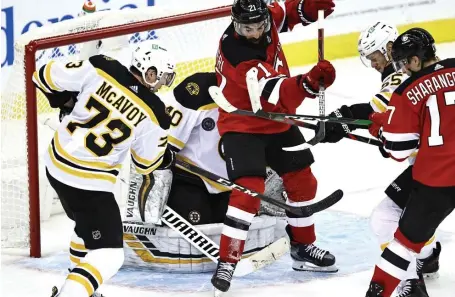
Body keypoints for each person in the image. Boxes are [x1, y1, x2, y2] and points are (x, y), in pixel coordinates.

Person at [33, 40, 176, 297]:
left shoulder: (101, 66)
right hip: (88, 185)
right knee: (109, 255)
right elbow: (146, 165)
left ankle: (82, 287)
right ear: (150, 72)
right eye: (162, 76)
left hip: (55, 164)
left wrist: (67, 102)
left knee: (85, 227)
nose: (163, 83)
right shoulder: (156, 112)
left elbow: (42, 75)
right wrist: (164, 158)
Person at [213, 0, 338, 293]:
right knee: (248, 191)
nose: (255, 33)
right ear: (235, 24)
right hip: (241, 125)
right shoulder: (237, 53)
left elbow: (286, 13)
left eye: (259, 26)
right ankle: (228, 261)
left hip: (277, 122)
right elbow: (275, 94)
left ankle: (303, 247)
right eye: (247, 28)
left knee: (304, 181)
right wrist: (308, 83)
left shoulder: (265, 18)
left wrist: (308, 7)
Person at [122, 72, 288, 273]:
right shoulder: (197, 91)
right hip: (190, 178)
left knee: (233, 225)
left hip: (231, 183)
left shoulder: (266, 96)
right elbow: (161, 148)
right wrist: (147, 203)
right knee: (200, 226)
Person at [324, 22, 441, 296]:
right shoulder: (434, 70)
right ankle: (428, 255)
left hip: (434, 164)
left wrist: (345, 117)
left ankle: (409, 281)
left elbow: (382, 109)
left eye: (375, 56)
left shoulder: (401, 76)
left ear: (390, 49)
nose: (374, 64)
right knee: (416, 215)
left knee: (385, 218)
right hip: (437, 159)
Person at [365, 28, 455, 297]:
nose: (403, 69)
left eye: (404, 62)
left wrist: (381, 128)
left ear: (415, 60)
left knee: (399, 239)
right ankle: (426, 258)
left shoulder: (408, 90)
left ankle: (407, 284)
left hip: (437, 181)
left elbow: (398, 150)